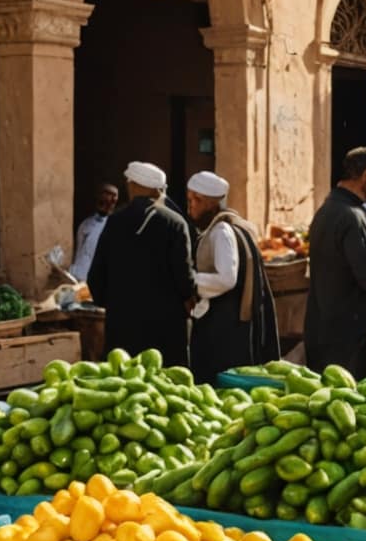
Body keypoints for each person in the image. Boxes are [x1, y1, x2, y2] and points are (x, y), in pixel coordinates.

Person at [87, 161, 196, 367]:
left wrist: (111, 303)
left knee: (126, 383)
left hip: (123, 324)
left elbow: (96, 276)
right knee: (167, 385)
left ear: (134, 186)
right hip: (166, 327)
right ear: (158, 190)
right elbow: (184, 278)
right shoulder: (175, 222)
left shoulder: (115, 221)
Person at [183, 171, 278, 383]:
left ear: (211, 203)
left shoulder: (222, 231)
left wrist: (190, 281)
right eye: (189, 200)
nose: (191, 206)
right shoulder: (221, 228)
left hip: (222, 324)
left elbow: (227, 279)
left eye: (196, 201)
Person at [305, 148, 366, 376]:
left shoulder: (325, 211)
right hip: (350, 334)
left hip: (324, 327)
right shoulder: (351, 216)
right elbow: (365, 275)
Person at [69, 182, 118, 282]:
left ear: (114, 201)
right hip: (79, 278)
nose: (104, 200)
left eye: (109, 196)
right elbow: (79, 253)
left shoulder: (116, 228)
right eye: (102, 195)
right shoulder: (86, 224)